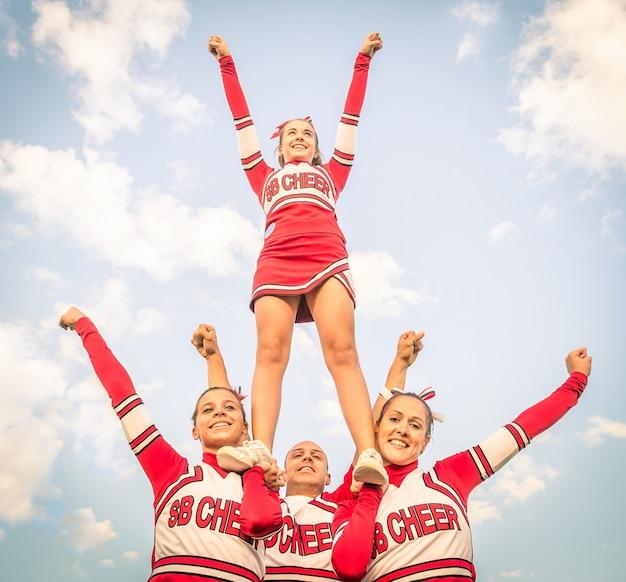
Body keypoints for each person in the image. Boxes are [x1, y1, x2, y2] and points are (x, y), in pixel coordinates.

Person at [207, 32, 387, 486]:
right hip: (276, 259)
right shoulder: (262, 176)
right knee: (270, 352)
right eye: (292, 135)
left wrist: (361, 61)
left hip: (327, 255)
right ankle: (261, 449)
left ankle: (368, 452)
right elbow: (241, 119)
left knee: (342, 351)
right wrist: (227, 62)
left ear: (317, 146)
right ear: (281, 147)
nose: (300, 138)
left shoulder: (333, 173)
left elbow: (351, 117)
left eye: (308, 134)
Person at [330, 340, 592, 582]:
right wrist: (372, 491)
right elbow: (348, 568)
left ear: (425, 443)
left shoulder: (448, 476)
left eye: (415, 424)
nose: (403, 429)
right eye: (394, 419)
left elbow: (522, 428)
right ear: (376, 430)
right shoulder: (353, 497)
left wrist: (576, 380)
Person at [60, 307, 284, 582]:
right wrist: (84, 325)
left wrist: (215, 359)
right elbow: (122, 394)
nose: (219, 413)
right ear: (194, 431)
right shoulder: (172, 472)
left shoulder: (260, 480)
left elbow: (260, 518)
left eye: (230, 409)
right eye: (207, 411)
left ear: (246, 429)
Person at [192, 324, 355, 581]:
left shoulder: (340, 504)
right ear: (283, 471)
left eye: (317, 455)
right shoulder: (262, 499)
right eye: (298, 454)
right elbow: (231, 425)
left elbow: (371, 442)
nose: (308, 457)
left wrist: (398, 371)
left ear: (328, 477)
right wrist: (214, 357)